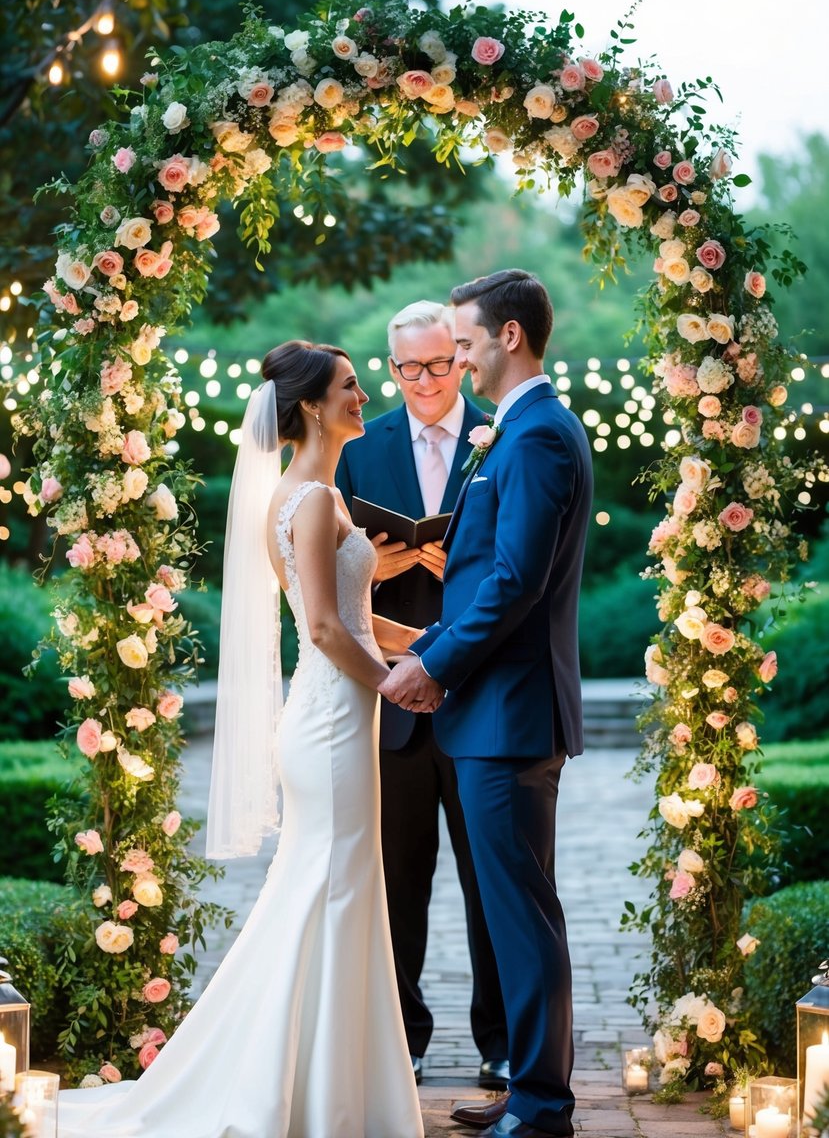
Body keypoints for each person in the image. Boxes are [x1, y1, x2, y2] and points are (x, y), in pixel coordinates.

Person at [58, 341, 426, 1138]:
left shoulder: (303, 496)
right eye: (350, 387)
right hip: (331, 724)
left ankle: (321, 1085)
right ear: (309, 408)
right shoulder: (317, 502)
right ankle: (313, 1095)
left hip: (329, 718)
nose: (365, 396)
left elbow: (353, 621)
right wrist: (394, 682)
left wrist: (428, 645)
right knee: (331, 893)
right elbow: (325, 629)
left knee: (329, 893)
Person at [382, 270, 593, 1138]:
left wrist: (433, 660)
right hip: (497, 712)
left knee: (519, 912)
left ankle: (541, 1106)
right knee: (513, 913)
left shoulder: (537, 435)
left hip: (506, 713)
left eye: (465, 342)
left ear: (509, 337)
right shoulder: (519, 430)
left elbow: (514, 580)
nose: (456, 359)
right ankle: (525, 1088)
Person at [336, 301, 509, 1088]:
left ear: (462, 360)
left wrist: (463, 568)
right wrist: (374, 568)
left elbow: (522, 561)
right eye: (409, 368)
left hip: (483, 696)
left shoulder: (501, 435)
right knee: (396, 883)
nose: (426, 381)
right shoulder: (357, 451)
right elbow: (320, 579)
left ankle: (500, 1041)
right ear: (390, 367)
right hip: (392, 705)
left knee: (491, 885)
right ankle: (400, 1036)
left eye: (441, 364)